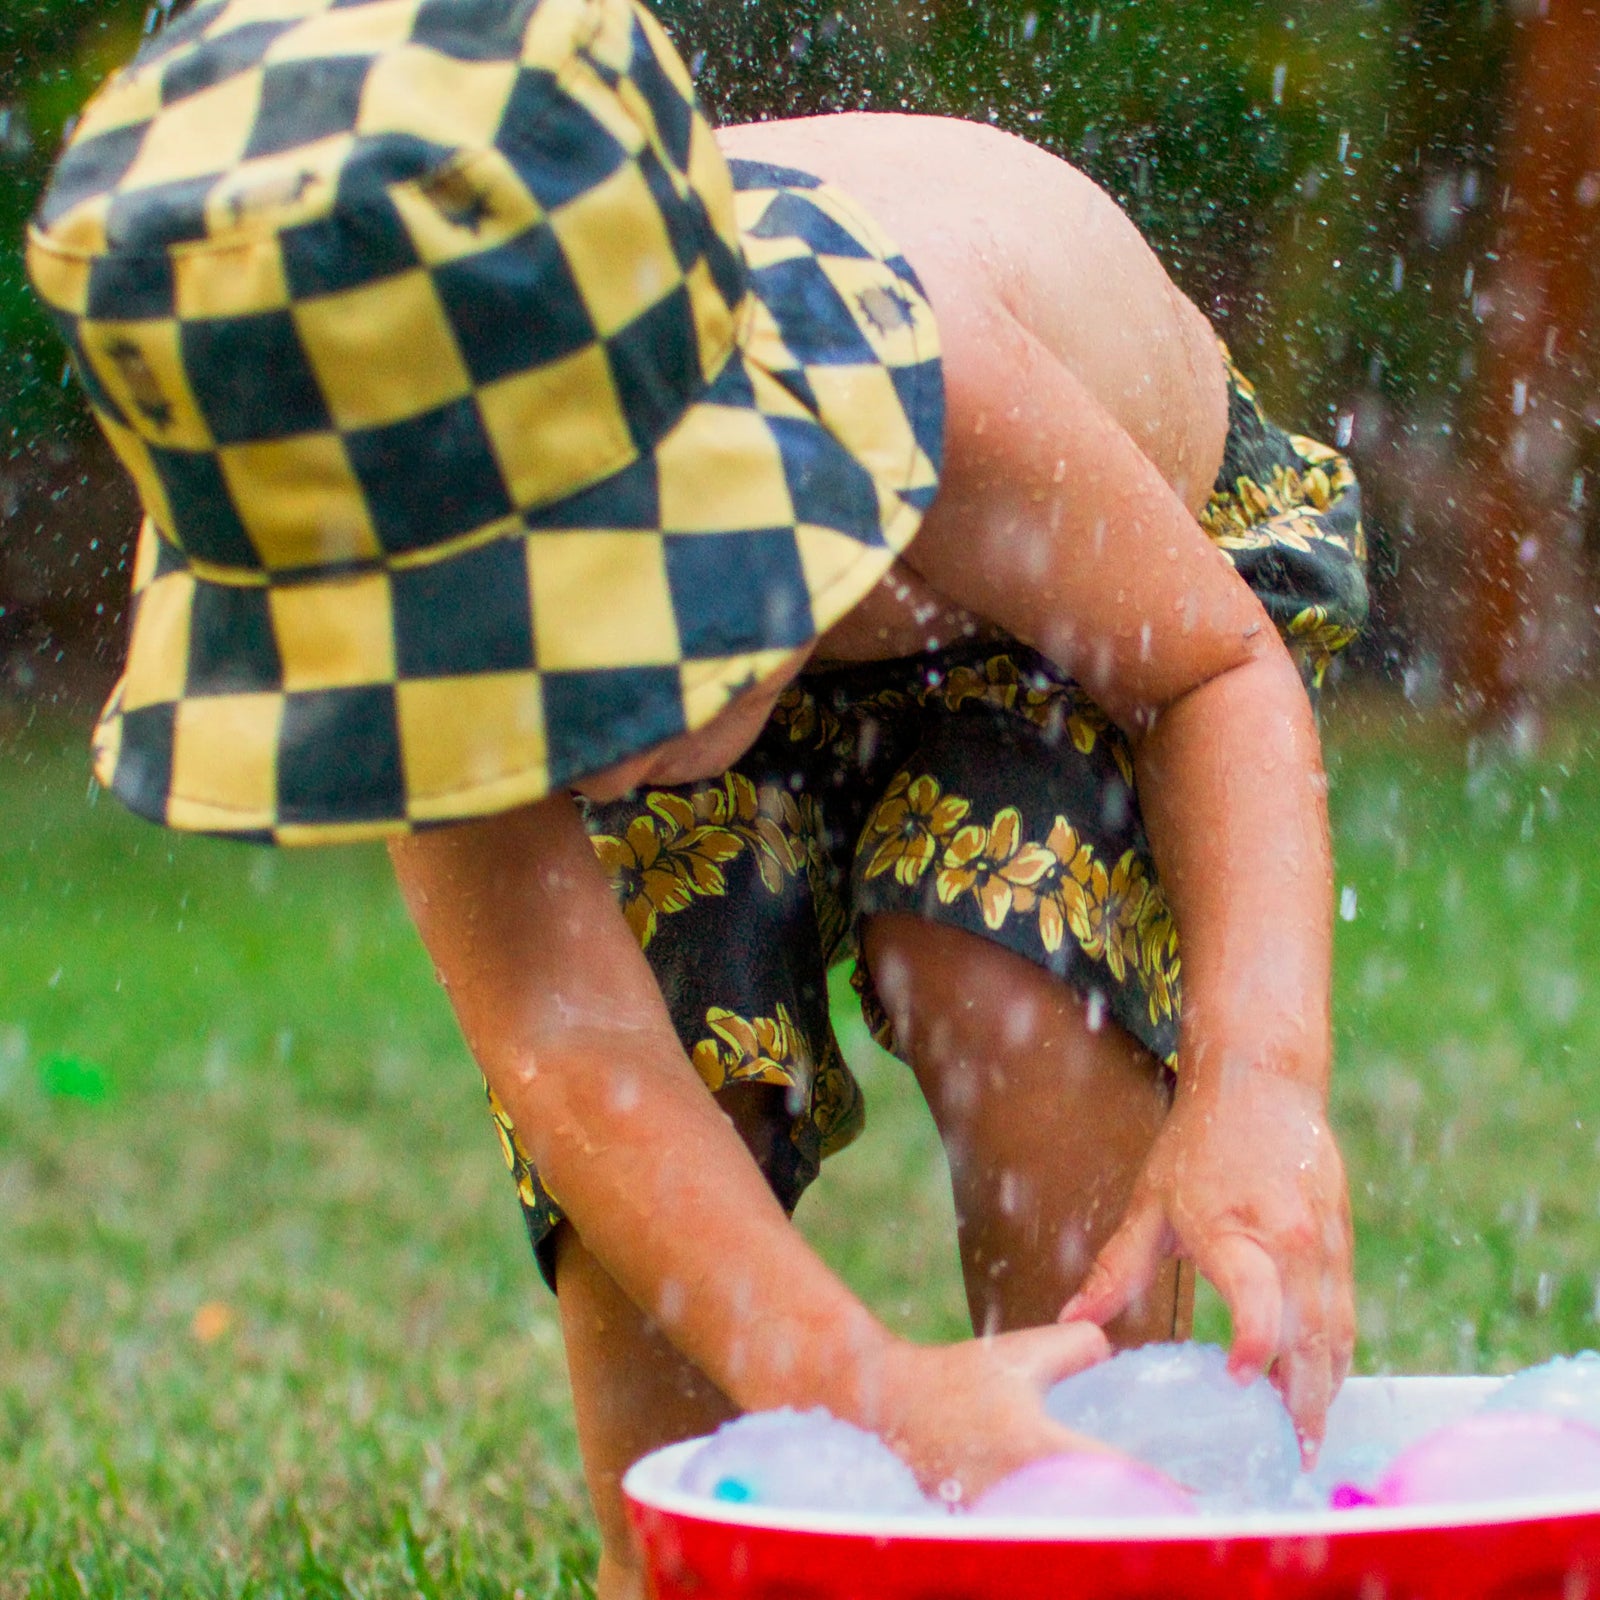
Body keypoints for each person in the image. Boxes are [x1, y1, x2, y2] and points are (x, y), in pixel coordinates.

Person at [28, 0, 1366, 1593]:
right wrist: (856, 1389)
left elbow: (1208, 676)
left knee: (996, 956)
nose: (583, 758)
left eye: (599, 646)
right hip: (788, 599)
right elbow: (569, 1045)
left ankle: (1083, 1490)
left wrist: (1257, 1083)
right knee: (667, 1060)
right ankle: (689, 1543)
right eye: (504, 687)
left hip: (1075, 617)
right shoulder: (383, 498)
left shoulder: (937, 376)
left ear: (747, 461)